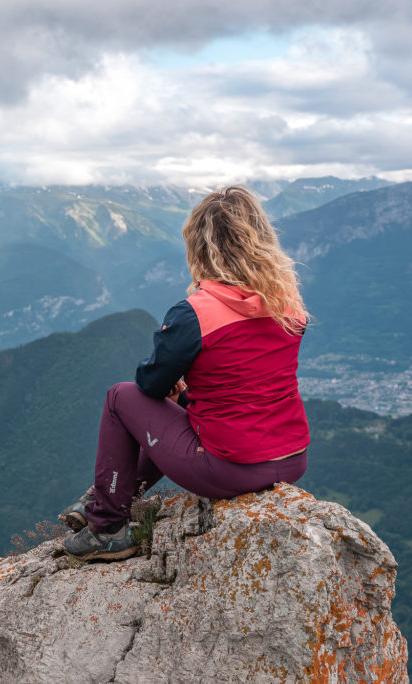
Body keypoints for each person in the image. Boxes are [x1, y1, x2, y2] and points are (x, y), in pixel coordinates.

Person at [62, 186, 310, 561]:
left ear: (201, 246)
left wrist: (175, 388)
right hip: (292, 460)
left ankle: (108, 526)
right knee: (183, 409)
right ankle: (105, 499)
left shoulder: (196, 312)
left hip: (229, 468)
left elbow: (149, 384)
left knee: (120, 398)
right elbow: (245, 383)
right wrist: (190, 394)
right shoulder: (288, 306)